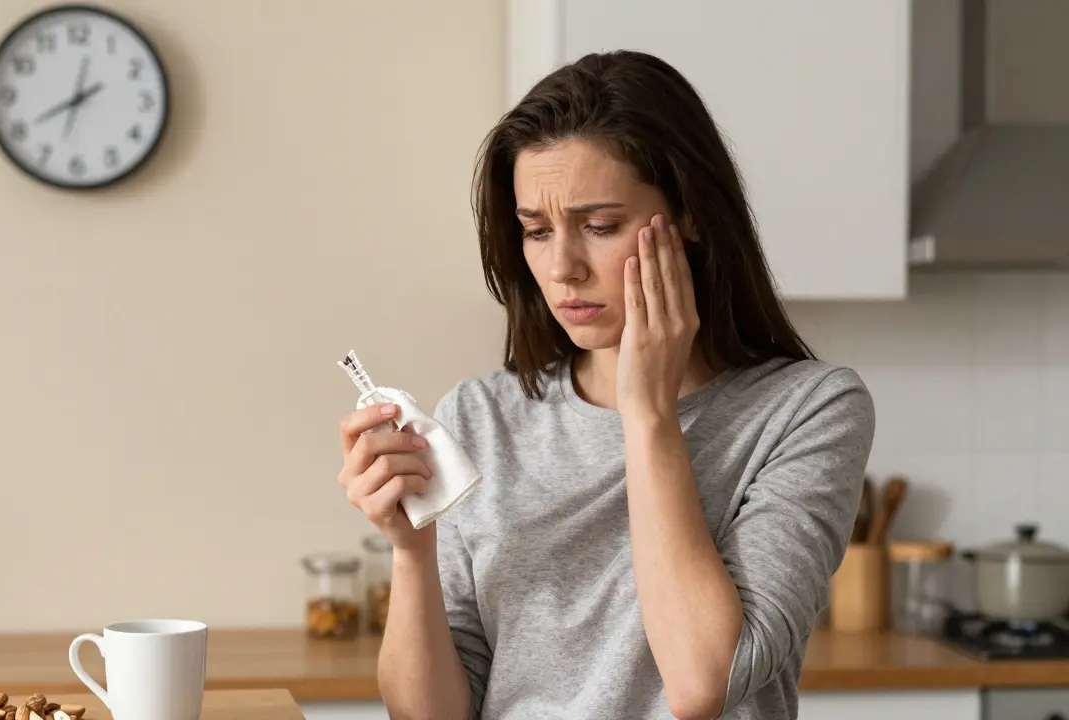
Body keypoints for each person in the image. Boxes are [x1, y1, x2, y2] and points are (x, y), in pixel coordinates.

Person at [335, 50, 875, 720]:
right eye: (535, 231)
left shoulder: (807, 411)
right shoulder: (481, 416)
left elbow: (705, 680)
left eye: (600, 227)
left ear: (691, 216)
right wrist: (413, 553)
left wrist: (647, 411)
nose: (562, 268)